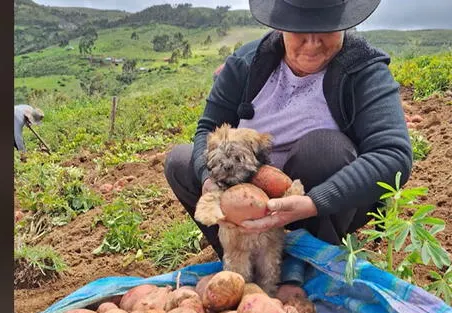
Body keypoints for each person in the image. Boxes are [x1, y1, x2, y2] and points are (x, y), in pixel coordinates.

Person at [165, 0, 413, 296]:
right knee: (181, 162)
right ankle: (238, 261)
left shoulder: (363, 70)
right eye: (299, 31)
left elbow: (393, 154)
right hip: (246, 191)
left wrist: (313, 203)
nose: (312, 43)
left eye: (325, 29)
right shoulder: (246, 64)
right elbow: (207, 129)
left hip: (318, 203)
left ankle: (304, 266)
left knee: (325, 149)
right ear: (280, 25)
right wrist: (208, 181)